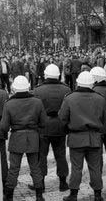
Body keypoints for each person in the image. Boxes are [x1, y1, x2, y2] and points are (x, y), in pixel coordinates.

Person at [59, 71, 106, 201]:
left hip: (76, 137)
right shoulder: (100, 98)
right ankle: (98, 195)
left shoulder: (69, 98)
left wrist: (68, 129)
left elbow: (62, 118)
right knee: (95, 168)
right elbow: (103, 119)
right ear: (92, 84)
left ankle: (73, 195)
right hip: (94, 137)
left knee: (76, 168)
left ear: (78, 82)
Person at [0, 76, 46, 201]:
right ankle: (39, 195)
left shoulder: (9, 104)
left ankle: (9, 195)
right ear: (28, 87)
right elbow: (44, 122)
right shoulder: (37, 102)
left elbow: (4, 126)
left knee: (14, 168)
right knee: (35, 167)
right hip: (33, 136)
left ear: (14, 88)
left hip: (17, 136)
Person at [31, 64, 70, 192]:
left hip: (43, 126)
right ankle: (63, 183)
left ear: (46, 75)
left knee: (41, 156)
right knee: (61, 155)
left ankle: (40, 184)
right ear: (58, 75)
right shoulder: (66, 89)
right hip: (60, 125)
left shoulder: (38, 90)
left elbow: (34, 111)